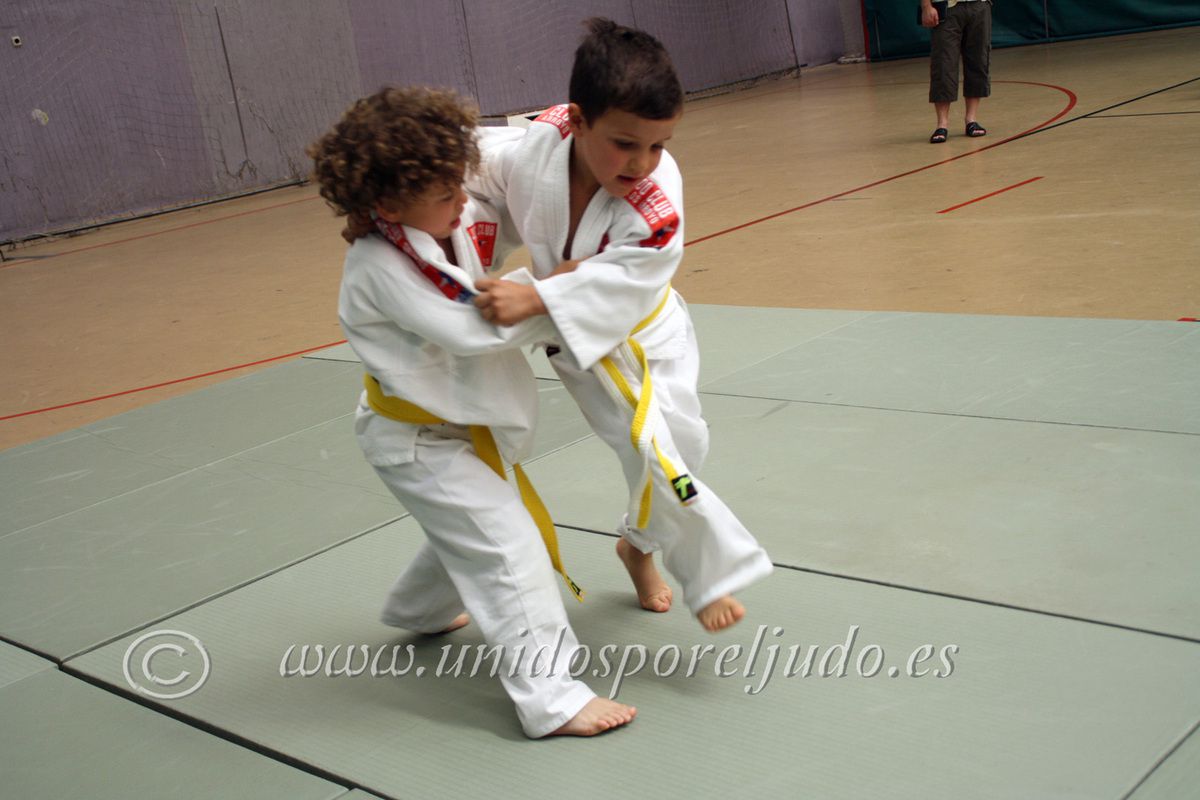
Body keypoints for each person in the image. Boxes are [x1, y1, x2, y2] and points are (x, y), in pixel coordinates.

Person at [308, 86, 635, 737]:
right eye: (445, 195)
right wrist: (555, 292)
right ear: (386, 203)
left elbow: (491, 264)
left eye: (461, 184)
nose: (463, 203)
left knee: (468, 528)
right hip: (419, 440)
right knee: (507, 545)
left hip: (460, 422)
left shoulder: (434, 224)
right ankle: (550, 697)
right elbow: (471, 325)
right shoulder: (379, 263)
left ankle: (420, 608)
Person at [467, 18, 773, 633]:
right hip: (586, 346)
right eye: (626, 144)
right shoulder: (539, 142)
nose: (642, 162)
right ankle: (709, 576)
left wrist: (543, 292)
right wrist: (476, 249)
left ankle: (638, 547)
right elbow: (474, 170)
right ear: (577, 120)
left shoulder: (657, 202)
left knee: (686, 446)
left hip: (648, 329)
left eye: (658, 145)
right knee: (655, 451)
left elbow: (628, 281)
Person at [921, 0, 992, 143]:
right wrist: (926, 6)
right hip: (947, 7)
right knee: (943, 64)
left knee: (978, 60)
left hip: (979, 5)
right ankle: (942, 124)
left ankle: (971, 119)